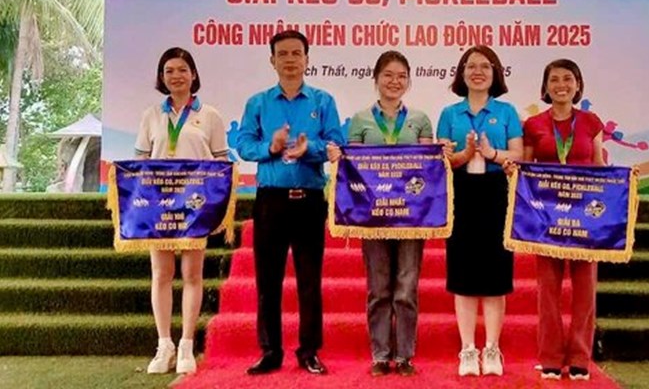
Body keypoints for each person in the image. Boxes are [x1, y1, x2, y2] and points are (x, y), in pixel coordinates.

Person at [237, 30, 344, 376]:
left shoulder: (323, 101)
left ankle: (309, 351)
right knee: (267, 280)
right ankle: (270, 351)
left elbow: (335, 145)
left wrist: (307, 149)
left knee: (310, 280)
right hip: (270, 202)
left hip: (309, 200)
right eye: (282, 54)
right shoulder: (258, 103)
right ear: (272, 60)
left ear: (307, 59)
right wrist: (271, 147)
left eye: (296, 53)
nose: (290, 60)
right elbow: (243, 145)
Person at [328, 51, 433, 377]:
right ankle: (379, 353)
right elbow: (354, 168)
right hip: (372, 216)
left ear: (409, 81)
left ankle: (404, 356)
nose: (395, 81)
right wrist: (338, 158)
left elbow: (429, 169)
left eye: (401, 75)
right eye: (388, 75)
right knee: (378, 288)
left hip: (411, 218)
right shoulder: (360, 120)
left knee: (406, 287)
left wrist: (437, 153)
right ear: (376, 79)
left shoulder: (420, 119)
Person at [134, 47, 229, 374]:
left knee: (191, 274)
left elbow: (221, 162)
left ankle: (187, 344)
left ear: (193, 75)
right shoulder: (151, 115)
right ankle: (164, 345)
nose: (176, 76)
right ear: (162, 77)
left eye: (182, 70)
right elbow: (140, 163)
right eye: (169, 70)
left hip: (194, 208)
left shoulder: (210, 115)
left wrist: (215, 199)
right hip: (158, 207)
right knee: (161, 274)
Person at [513, 58, 604, 382]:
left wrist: (623, 181)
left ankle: (581, 357)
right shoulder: (534, 124)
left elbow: (599, 166)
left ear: (578, 85)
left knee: (585, 289)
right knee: (547, 291)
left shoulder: (592, 122)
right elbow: (525, 168)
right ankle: (550, 357)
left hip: (585, 219)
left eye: (568, 79)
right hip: (546, 219)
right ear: (546, 86)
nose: (561, 85)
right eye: (554, 79)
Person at [436, 45, 523, 377]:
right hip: (460, 195)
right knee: (463, 274)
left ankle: (492, 348)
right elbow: (442, 160)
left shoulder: (508, 111)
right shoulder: (449, 114)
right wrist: (465, 153)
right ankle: (468, 349)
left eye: (485, 66)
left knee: (496, 274)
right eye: (470, 66)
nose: (477, 71)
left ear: (495, 73)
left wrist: (491, 153)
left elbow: (519, 155)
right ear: (461, 73)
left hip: (496, 193)